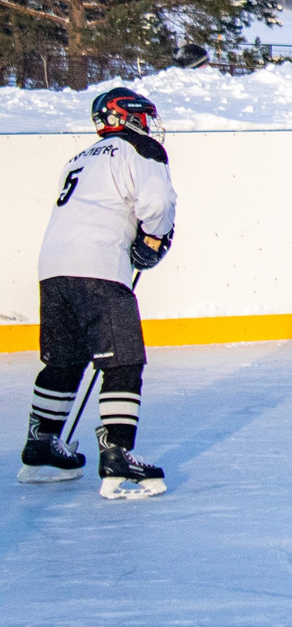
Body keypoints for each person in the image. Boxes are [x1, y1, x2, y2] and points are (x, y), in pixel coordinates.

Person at [21, 87, 176, 499]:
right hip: (100, 268)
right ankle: (117, 453)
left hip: (53, 268)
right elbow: (157, 202)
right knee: (123, 361)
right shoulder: (139, 149)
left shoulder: (78, 158)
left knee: (64, 361)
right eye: (141, 116)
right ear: (125, 117)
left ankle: (42, 446)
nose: (147, 125)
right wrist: (154, 237)